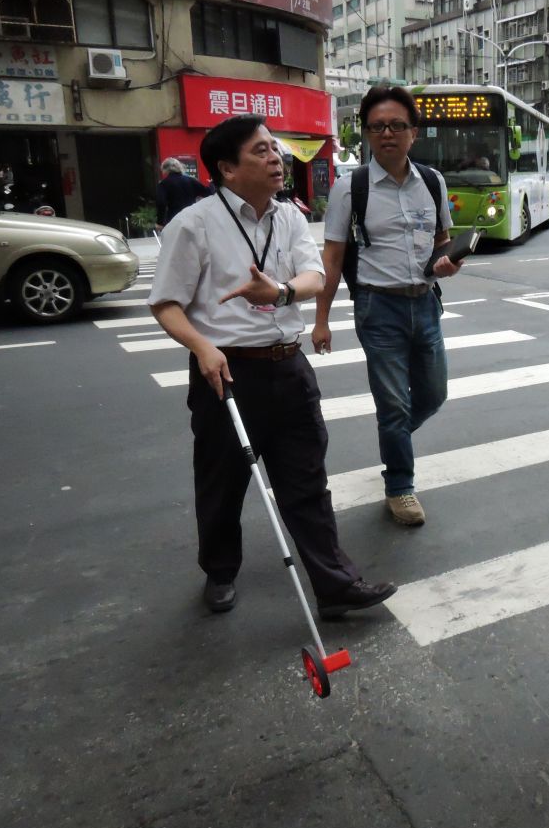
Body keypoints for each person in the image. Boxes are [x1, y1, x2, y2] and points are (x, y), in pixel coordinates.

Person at [148, 114, 396, 617]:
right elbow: (166, 303)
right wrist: (201, 347)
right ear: (227, 168)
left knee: (307, 482)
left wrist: (280, 291)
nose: (276, 158)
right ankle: (220, 571)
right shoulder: (193, 224)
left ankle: (335, 586)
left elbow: (314, 277)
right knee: (222, 484)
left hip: (288, 366)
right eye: (260, 151)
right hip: (226, 372)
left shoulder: (288, 217)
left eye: (274, 149)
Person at [313, 86, 459, 527]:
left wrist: (448, 261)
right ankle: (399, 485)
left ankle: (394, 440)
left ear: (414, 132)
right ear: (367, 134)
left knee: (433, 395)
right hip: (378, 308)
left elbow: (442, 240)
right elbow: (332, 257)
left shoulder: (432, 181)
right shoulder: (350, 188)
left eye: (397, 125)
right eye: (377, 127)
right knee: (393, 405)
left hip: (426, 302)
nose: (387, 133)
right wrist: (321, 320)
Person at [155, 157, 209, 229]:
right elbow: (207, 193)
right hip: (192, 218)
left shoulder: (163, 184)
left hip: (174, 219)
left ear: (165, 169)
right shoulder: (191, 180)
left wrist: (160, 222)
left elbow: (161, 203)